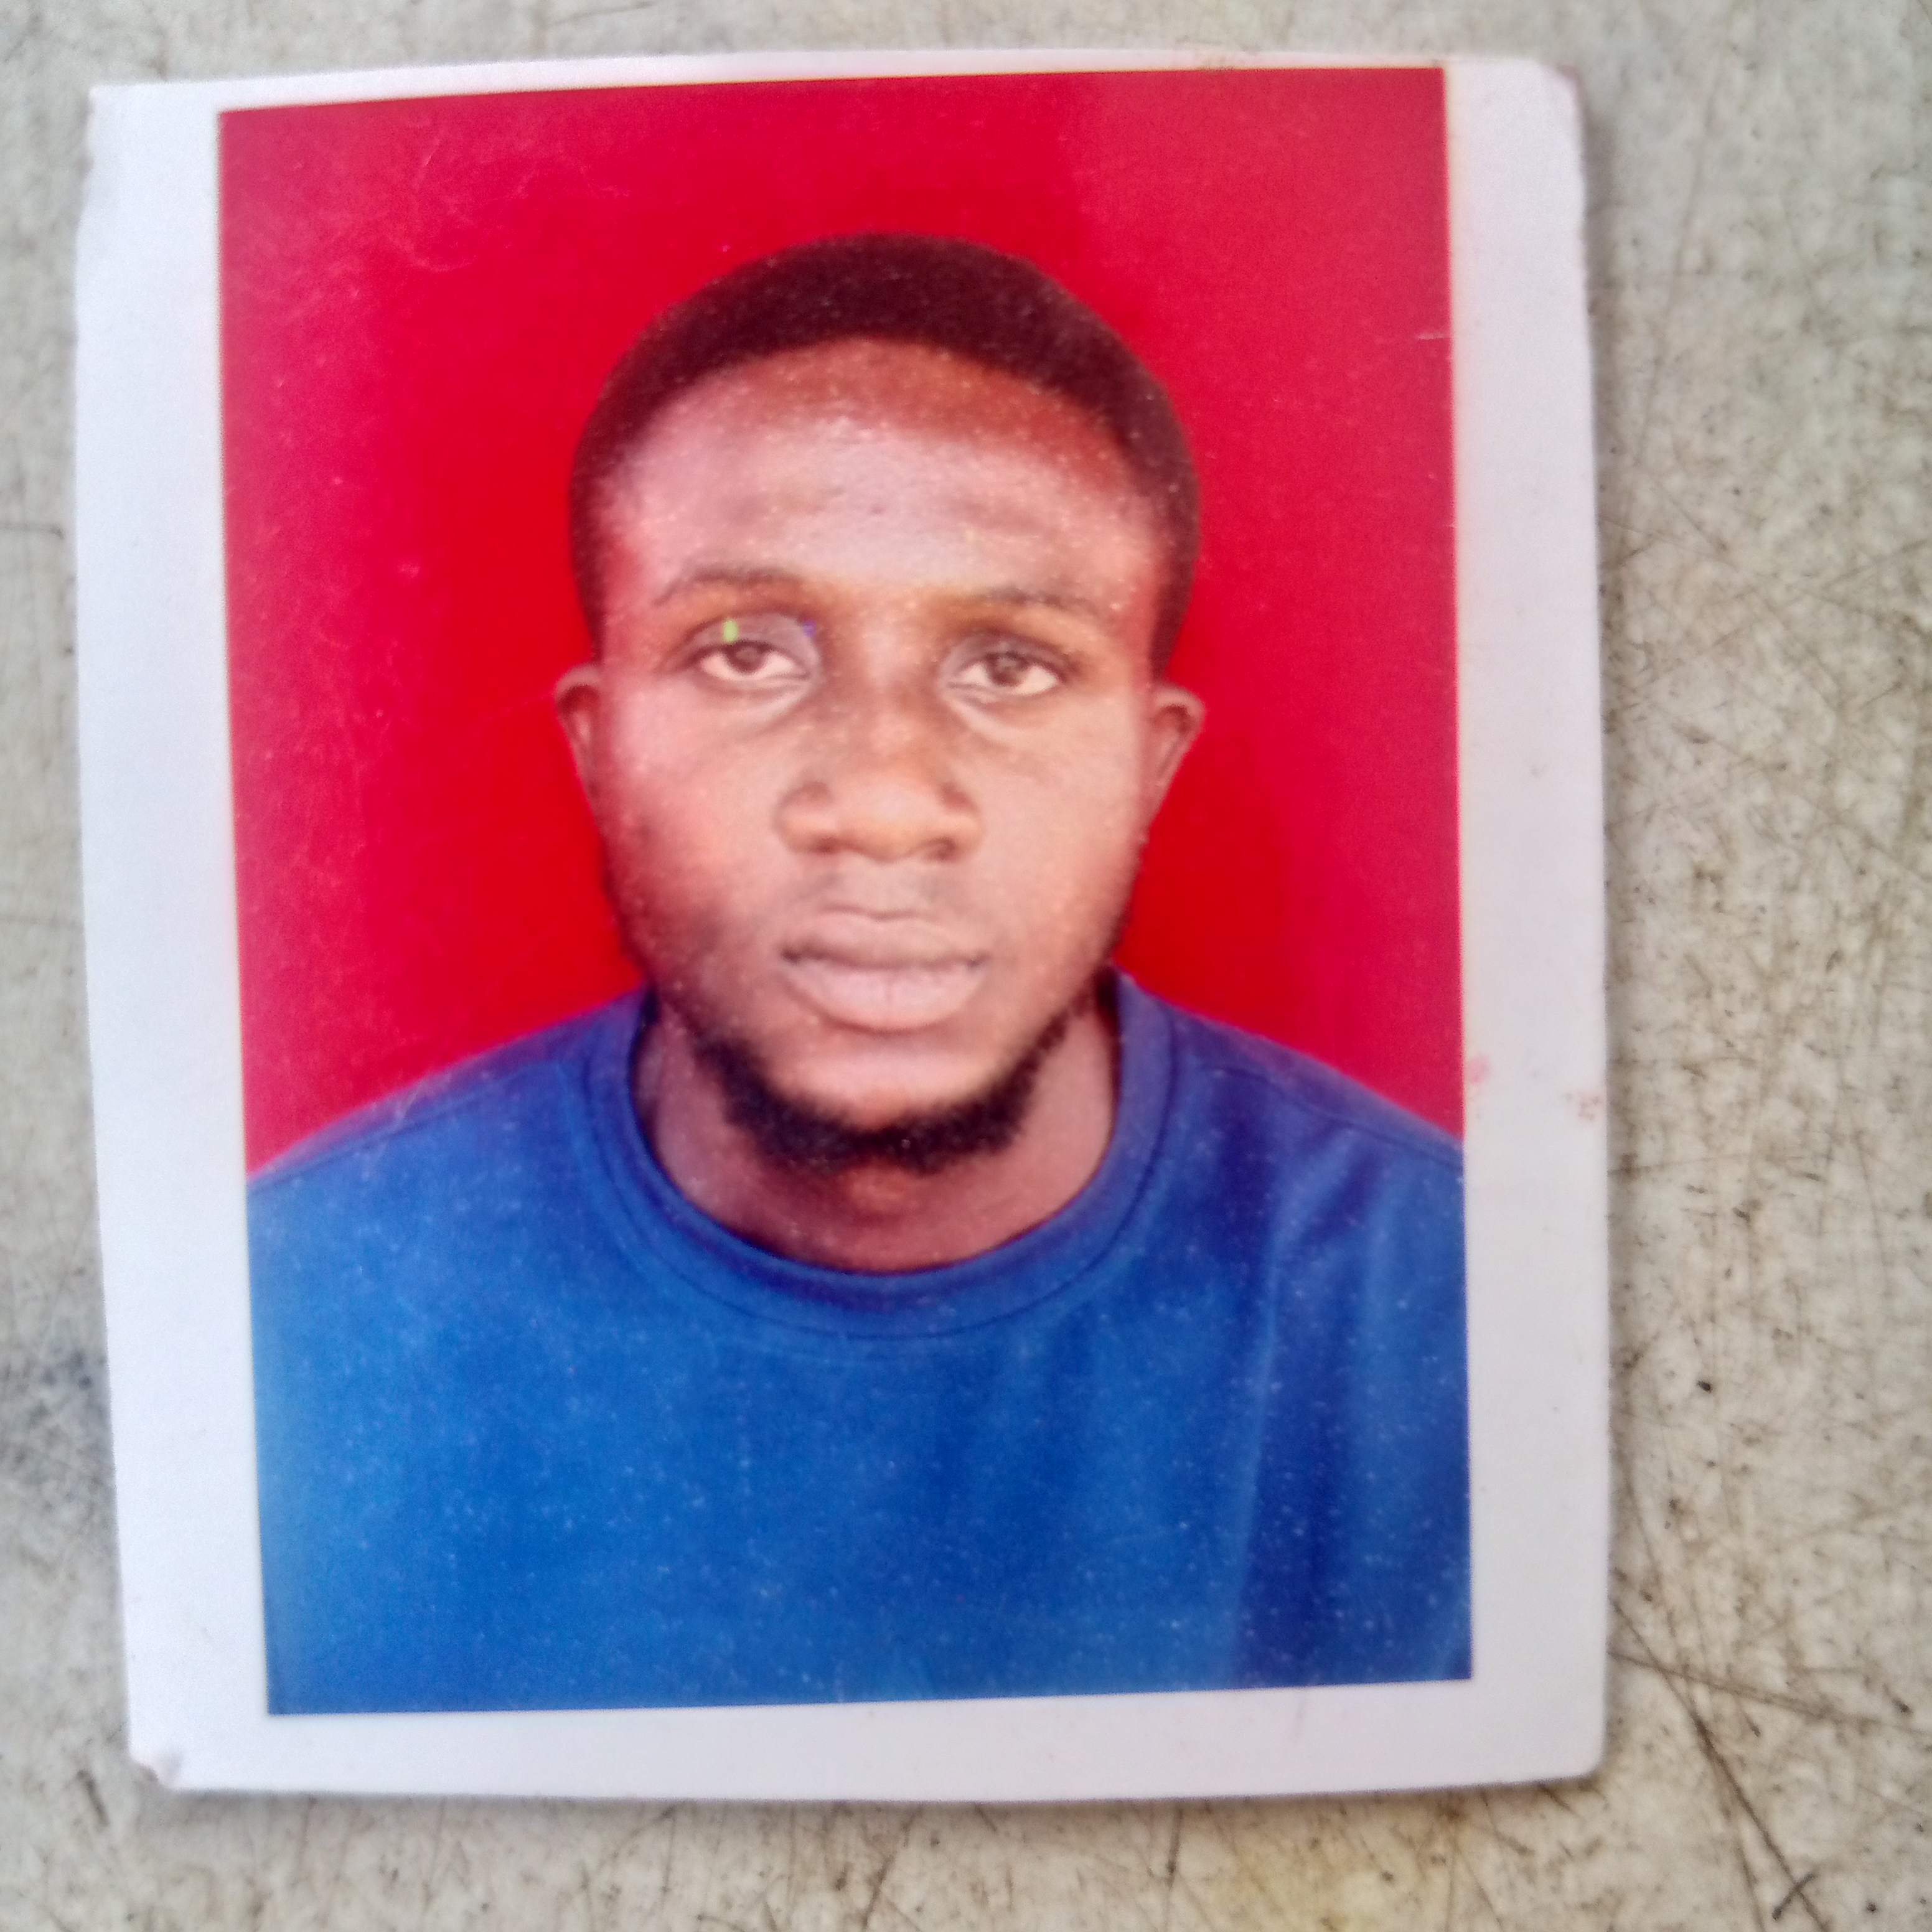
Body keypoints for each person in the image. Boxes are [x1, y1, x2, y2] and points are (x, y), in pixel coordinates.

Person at [248, 234, 1468, 1715]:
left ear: (1149, 768)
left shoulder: (1456, 1321)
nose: (885, 802)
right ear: (598, 747)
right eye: (745, 653)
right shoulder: (283, 1316)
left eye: (1011, 665)